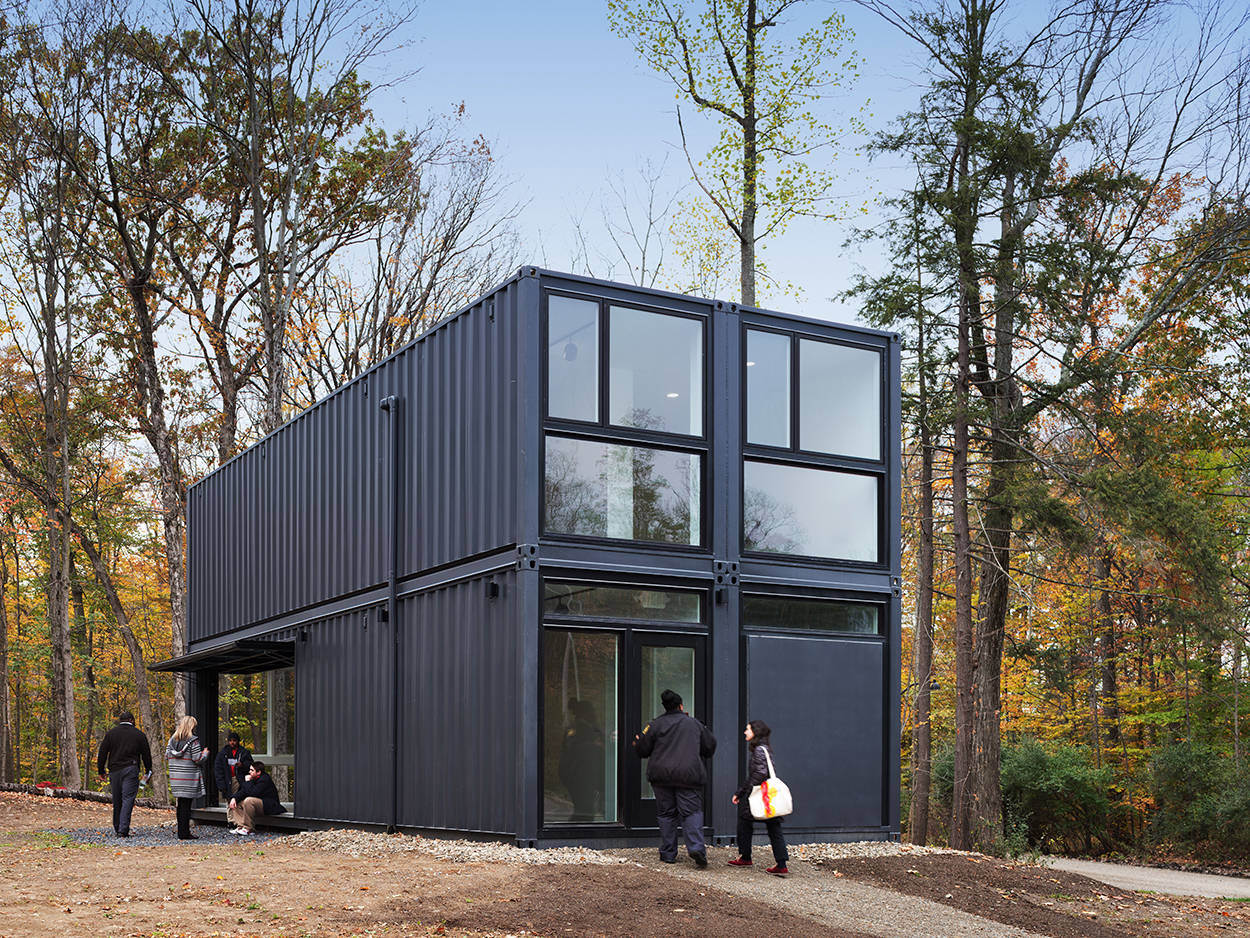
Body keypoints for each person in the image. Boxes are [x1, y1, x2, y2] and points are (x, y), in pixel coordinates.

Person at [633, 689, 716, 867]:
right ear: (681, 706)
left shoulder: (655, 725)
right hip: (688, 776)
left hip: (661, 777)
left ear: (665, 707)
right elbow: (710, 747)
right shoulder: (694, 724)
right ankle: (696, 848)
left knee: (666, 814)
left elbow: (642, 750)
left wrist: (639, 741)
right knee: (691, 812)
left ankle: (668, 853)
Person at [729, 719, 789, 876]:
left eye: (747, 729)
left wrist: (743, 792)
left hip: (762, 797)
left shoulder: (759, 750)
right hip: (769, 798)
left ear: (755, 732)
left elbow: (760, 774)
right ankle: (781, 864)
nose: (745, 732)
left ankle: (746, 857)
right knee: (774, 827)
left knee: (744, 822)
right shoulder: (764, 749)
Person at [96, 711, 153, 838]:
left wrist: (101, 770)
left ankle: (117, 827)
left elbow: (103, 753)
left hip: (115, 770)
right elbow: (146, 755)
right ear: (132, 720)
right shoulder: (139, 735)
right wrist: (148, 771)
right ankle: (123, 829)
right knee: (127, 799)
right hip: (131, 769)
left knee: (117, 799)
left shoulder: (111, 734)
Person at [558, 699, 605, 821]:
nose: (595, 714)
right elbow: (571, 748)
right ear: (584, 713)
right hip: (576, 775)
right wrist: (593, 745)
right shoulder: (575, 729)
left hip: (588, 775)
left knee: (586, 810)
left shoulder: (592, 728)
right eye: (592, 711)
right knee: (585, 810)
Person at [166, 715, 209, 840]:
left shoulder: (171, 740)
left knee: (181, 805)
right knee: (186, 806)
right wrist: (205, 754)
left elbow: (166, 756)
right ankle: (184, 833)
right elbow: (197, 759)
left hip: (176, 778)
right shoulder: (193, 741)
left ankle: (181, 831)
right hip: (188, 777)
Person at [227, 761, 287, 835]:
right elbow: (244, 792)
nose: (249, 772)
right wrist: (234, 798)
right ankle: (241, 827)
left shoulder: (264, 779)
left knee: (248, 800)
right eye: (249, 770)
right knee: (237, 801)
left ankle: (249, 829)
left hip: (269, 805)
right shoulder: (254, 778)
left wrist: (247, 782)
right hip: (260, 804)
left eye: (252, 770)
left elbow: (253, 793)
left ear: (258, 772)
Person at [213, 731, 253, 804]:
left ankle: (235, 815)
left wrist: (242, 765)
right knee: (229, 801)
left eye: (234, 740)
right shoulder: (222, 754)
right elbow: (218, 770)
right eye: (230, 740)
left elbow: (251, 766)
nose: (232, 742)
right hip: (227, 778)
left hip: (240, 779)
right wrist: (222, 785)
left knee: (239, 801)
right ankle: (230, 816)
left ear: (238, 741)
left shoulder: (244, 753)